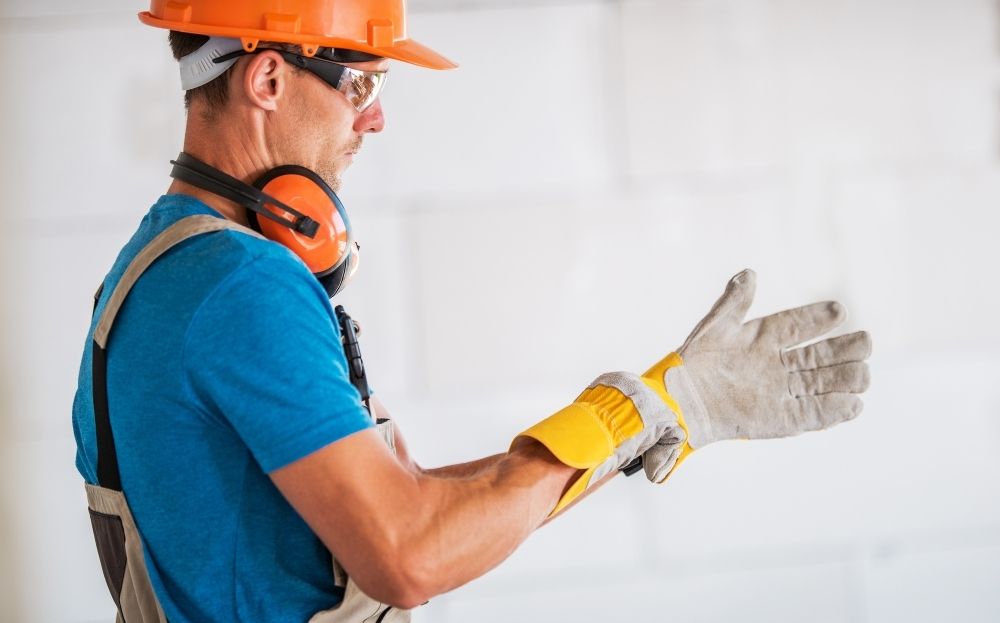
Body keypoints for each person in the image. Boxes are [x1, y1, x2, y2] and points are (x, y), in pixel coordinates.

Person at [72, 2, 873, 622]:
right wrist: (627, 412)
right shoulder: (242, 285)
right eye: (362, 83)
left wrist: (664, 405)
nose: (375, 116)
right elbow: (409, 551)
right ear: (269, 79)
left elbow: (413, 501)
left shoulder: (155, 266)